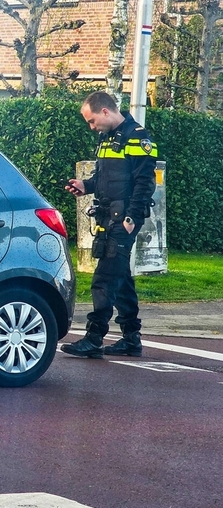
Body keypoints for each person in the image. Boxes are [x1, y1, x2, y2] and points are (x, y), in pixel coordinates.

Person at [61, 91, 157, 359]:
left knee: (104, 278)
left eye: (92, 121)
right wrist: (86, 185)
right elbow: (104, 178)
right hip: (108, 216)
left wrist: (132, 218)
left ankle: (94, 338)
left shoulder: (137, 137)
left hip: (123, 219)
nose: (92, 127)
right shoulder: (107, 138)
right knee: (120, 276)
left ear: (105, 111)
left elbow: (145, 182)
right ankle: (131, 338)